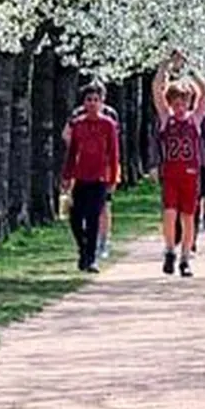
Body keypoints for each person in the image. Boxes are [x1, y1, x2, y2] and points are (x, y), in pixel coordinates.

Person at [153, 51, 205, 277]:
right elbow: (157, 89)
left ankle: (186, 257)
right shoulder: (166, 119)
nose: (179, 107)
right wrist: (166, 66)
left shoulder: (195, 120)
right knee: (169, 214)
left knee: (188, 217)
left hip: (190, 174)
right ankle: (169, 250)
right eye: (175, 103)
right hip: (171, 174)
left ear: (189, 102)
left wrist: (191, 69)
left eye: (183, 102)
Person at [61, 81, 122, 273]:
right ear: (84, 103)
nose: (93, 103)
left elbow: (113, 153)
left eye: (96, 100)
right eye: (89, 100)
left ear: (102, 102)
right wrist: (66, 175)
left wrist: (113, 178)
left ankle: (92, 258)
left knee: (94, 215)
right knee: (75, 216)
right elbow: (72, 153)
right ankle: (83, 247)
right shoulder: (78, 125)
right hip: (81, 176)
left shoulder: (108, 125)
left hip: (100, 177)